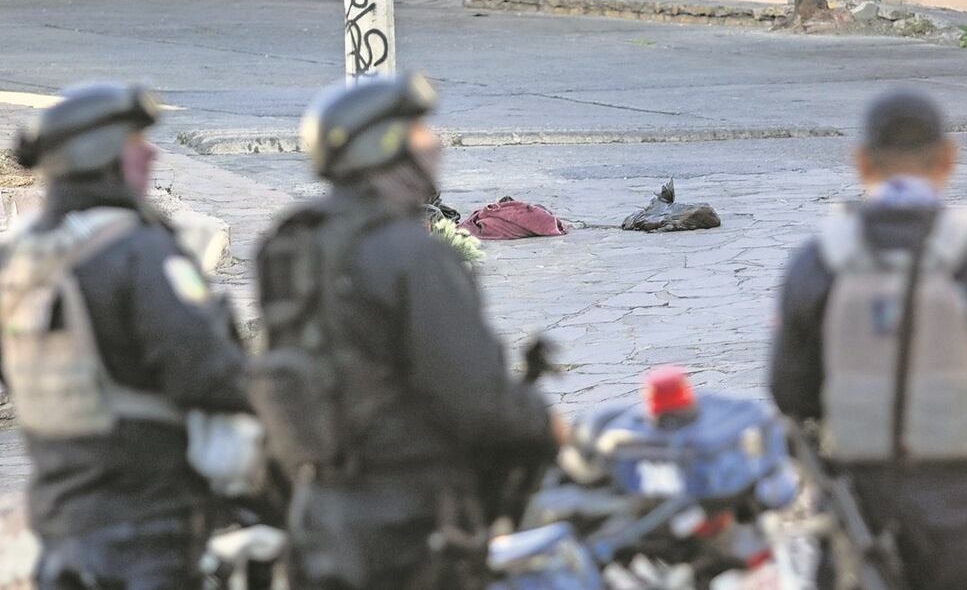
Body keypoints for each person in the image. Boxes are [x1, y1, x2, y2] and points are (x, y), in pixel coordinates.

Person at [251, 73, 563, 589]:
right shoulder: (414, 255)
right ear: (385, 147)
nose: (434, 144)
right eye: (419, 132)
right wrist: (550, 429)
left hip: (319, 512)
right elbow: (473, 394)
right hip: (411, 522)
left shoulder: (288, 243)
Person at [770, 90, 967, 590]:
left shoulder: (817, 263)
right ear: (948, 158)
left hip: (860, 532)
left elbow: (789, 391)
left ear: (861, 161)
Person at [1, 82, 251, 589]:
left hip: (57, 516)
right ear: (102, 157)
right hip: (147, 524)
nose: (152, 151)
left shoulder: (18, 257)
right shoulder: (137, 252)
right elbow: (211, 372)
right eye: (136, 142)